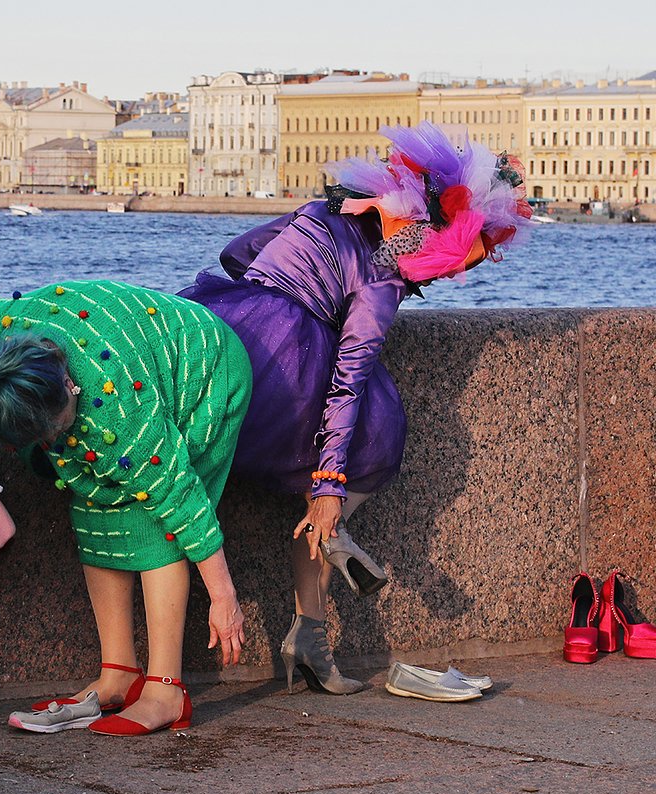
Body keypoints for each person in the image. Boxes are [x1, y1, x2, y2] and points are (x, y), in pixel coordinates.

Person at [181, 122, 531, 694]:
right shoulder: (381, 278)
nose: (459, 269)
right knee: (372, 436)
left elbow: (237, 252)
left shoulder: (327, 207)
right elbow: (350, 373)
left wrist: (292, 282)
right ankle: (327, 552)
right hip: (283, 371)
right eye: (463, 257)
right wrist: (329, 481)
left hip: (226, 332)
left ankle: (310, 635)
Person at [0, 279, 252, 735]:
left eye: (53, 431)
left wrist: (223, 596)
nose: (51, 443)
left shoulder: (119, 411)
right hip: (119, 354)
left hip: (204, 370)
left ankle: (166, 689)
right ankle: (119, 674)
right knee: (92, 507)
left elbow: (182, 499)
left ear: (70, 387)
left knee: (155, 524)